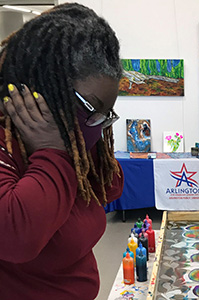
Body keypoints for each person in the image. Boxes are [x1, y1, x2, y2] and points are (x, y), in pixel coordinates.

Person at [0, 3, 124, 299]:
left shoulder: (69, 139)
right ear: (44, 86)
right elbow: (16, 235)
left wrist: (85, 139)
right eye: (93, 108)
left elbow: (110, 186)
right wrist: (52, 152)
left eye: (107, 113)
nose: (99, 123)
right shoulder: (9, 140)